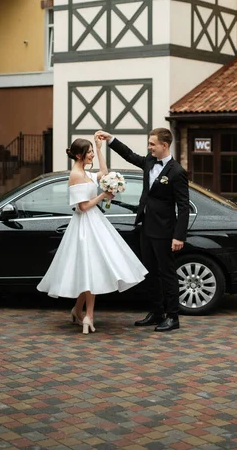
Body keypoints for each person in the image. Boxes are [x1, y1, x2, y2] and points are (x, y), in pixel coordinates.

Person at [36, 134, 148, 334]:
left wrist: (99, 148)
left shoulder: (84, 172)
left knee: (92, 269)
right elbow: (83, 206)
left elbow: (104, 173)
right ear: (79, 155)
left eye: (91, 153)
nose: (91, 156)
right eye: (88, 153)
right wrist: (103, 195)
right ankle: (89, 315)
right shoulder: (76, 175)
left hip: (95, 222)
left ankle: (77, 310)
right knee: (91, 269)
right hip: (84, 225)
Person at [95, 128, 189, 332]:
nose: (149, 147)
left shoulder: (177, 172)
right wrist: (111, 140)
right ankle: (156, 313)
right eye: (149, 144)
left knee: (167, 273)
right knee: (151, 273)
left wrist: (178, 236)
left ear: (164, 145)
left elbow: (183, 207)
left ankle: (173, 317)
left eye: (152, 144)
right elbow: (129, 155)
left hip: (165, 231)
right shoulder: (148, 161)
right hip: (146, 226)